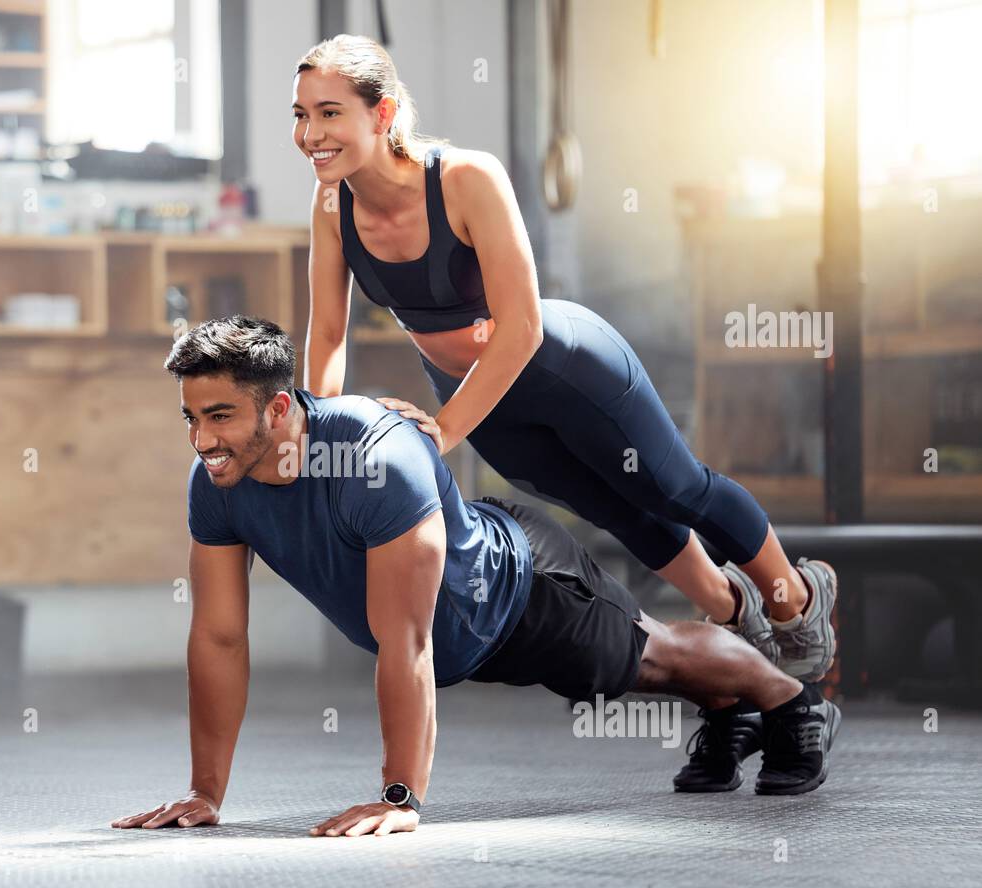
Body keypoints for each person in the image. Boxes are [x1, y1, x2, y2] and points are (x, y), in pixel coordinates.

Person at [111, 318, 840, 839]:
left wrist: (401, 795)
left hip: (520, 590)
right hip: (461, 628)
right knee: (651, 668)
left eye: (218, 416)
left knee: (653, 658)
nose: (202, 439)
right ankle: (729, 712)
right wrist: (206, 792)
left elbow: (408, 641)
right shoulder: (217, 481)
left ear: (276, 407)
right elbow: (218, 636)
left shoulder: (373, 458)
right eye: (189, 418)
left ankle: (788, 700)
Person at [292, 34, 838, 690]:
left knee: (673, 488)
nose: (310, 132)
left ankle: (795, 600)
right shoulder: (332, 206)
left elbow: (519, 327)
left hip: (562, 367)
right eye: (300, 114)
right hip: (488, 402)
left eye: (328, 112)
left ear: (380, 115)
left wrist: (443, 429)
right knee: (616, 511)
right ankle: (732, 613)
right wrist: (315, 438)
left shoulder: (466, 179)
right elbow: (327, 333)